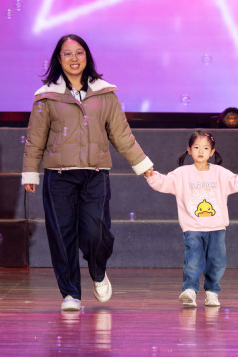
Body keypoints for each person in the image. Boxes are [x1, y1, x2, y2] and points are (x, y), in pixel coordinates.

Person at [22, 34, 153, 312]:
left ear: (87, 57)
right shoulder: (46, 95)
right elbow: (35, 139)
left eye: (79, 53)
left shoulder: (105, 94)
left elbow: (121, 134)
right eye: (67, 54)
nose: (74, 58)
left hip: (95, 174)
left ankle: (97, 270)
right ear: (59, 59)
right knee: (62, 235)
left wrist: (142, 163)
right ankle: (71, 293)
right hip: (59, 176)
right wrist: (30, 172)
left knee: (96, 232)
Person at [143, 131, 238, 308]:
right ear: (189, 150)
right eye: (197, 147)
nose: (201, 151)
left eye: (206, 148)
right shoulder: (182, 173)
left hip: (217, 227)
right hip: (192, 226)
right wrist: (151, 176)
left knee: (217, 261)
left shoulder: (220, 173)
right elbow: (166, 183)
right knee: (193, 258)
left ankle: (212, 292)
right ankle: (190, 290)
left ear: (212, 151)